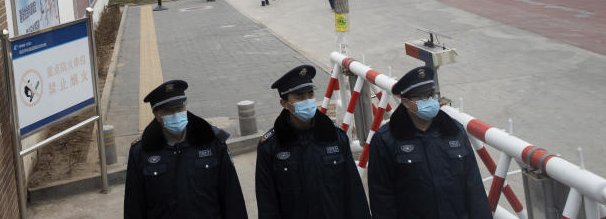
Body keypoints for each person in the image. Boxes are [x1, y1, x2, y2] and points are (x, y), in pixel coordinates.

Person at [368, 66, 492, 219]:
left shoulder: (454, 132)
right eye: (420, 97)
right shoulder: (386, 141)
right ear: (406, 102)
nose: (429, 101)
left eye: (431, 95)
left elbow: (474, 188)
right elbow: (382, 200)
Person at [256, 65, 371, 219]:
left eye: (310, 95)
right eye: (299, 97)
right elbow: (267, 203)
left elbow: (353, 192)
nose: (307, 101)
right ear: (284, 104)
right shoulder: (270, 146)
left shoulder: (335, 137)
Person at [124, 79, 248, 219]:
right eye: (169, 111)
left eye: (179, 108)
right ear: (157, 115)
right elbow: (134, 206)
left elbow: (232, 196)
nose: (176, 114)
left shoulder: (211, 141)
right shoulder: (141, 151)